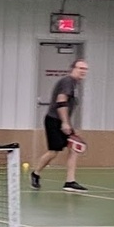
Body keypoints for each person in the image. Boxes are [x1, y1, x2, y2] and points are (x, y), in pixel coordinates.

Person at [31, 59, 88, 193]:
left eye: (85, 69)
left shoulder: (75, 84)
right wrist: (65, 122)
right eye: (80, 68)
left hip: (63, 120)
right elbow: (61, 102)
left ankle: (70, 182)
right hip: (54, 120)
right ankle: (35, 173)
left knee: (74, 148)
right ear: (73, 68)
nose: (83, 71)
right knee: (53, 152)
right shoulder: (67, 81)